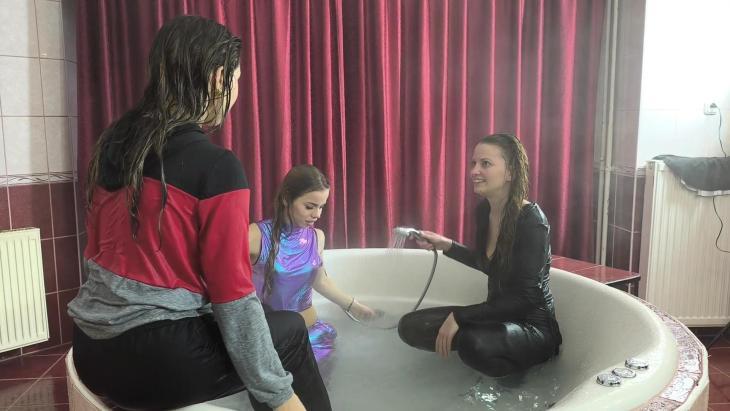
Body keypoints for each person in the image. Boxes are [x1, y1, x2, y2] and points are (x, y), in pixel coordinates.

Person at [67, 16, 331, 411]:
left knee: (265, 325)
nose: (236, 92)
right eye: (237, 80)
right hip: (154, 363)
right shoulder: (217, 167)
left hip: (90, 350)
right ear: (219, 78)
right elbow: (233, 295)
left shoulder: (114, 145)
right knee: (290, 329)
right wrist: (283, 398)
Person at [397, 133, 562, 378]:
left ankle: (514, 383)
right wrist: (446, 245)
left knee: (474, 343)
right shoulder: (485, 210)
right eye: (473, 163)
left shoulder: (532, 222)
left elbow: (526, 298)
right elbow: (489, 265)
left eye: (485, 164)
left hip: (532, 328)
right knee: (411, 326)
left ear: (510, 172)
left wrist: (461, 317)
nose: (474, 171)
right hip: (497, 317)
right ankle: (487, 357)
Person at [249, 165, 376, 360]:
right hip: (274, 340)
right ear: (286, 198)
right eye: (309, 207)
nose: (317, 215)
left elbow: (321, 281)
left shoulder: (317, 237)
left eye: (321, 206)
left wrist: (355, 306)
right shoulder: (256, 235)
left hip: (315, 334)